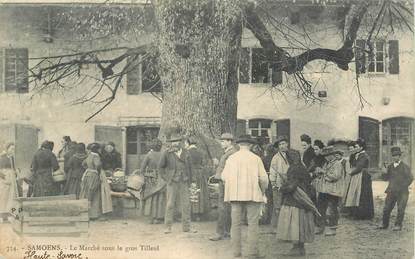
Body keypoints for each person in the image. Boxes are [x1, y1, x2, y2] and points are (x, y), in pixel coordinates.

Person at [220, 134, 268, 258]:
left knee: (235, 224)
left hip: (235, 196)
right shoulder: (256, 158)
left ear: (239, 144)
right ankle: (253, 252)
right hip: (253, 194)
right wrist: (262, 191)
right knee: (253, 224)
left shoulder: (231, 158)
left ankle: (236, 252)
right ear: (250, 145)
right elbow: (263, 179)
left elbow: (223, 177)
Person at [276, 150, 315, 257]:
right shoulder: (302, 167)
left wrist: (281, 188)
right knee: (301, 223)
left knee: (295, 223)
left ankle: (296, 247)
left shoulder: (293, 168)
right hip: (304, 200)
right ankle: (301, 247)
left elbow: (292, 186)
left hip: (294, 200)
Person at [158, 133, 196, 234]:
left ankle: (187, 227)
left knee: (186, 205)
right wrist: (166, 178)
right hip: (172, 181)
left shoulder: (186, 153)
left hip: (184, 181)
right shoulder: (167, 153)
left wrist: (193, 181)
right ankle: (168, 227)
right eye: (173, 142)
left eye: (177, 141)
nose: (175, 144)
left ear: (181, 142)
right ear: (171, 143)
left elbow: (191, 168)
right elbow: (160, 167)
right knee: (170, 204)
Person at [209, 133, 237, 241]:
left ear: (229, 142)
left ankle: (219, 232)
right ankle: (227, 231)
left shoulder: (231, 153)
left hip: (226, 183)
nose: (221, 143)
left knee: (222, 207)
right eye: (221, 141)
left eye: (223, 141)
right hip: (225, 182)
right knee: (226, 207)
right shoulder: (228, 152)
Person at [377, 147, 413, 231]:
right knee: (386, 208)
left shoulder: (405, 167)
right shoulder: (389, 167)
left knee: (400, 209)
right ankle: (384, 224)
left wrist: (402, 186)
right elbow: (385, 179)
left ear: (400, 156)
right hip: (391, 191)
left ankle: (398, 225)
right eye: (393, 155)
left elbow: (410, 178)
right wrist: (384, 172)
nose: (395, 157)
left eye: (396, 155)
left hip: (402, 192)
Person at [269, 135, 300, 232]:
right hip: (279, 184)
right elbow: (273, 170)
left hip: (289, 184)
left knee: (288, 204)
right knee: (277, 205)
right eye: (280, 145)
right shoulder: (276, 157)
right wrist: (273, 183)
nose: (282, 146)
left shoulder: (291, 155)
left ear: (287, 144)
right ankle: (275, 227)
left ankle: (287, 226)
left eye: (283, 144)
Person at [313, 146, 345, 236]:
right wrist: (318, 173)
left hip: (333, 191)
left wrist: (323, 172)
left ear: (332, 155)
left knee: (332, 209)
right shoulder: (327, 163)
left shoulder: (337, 164)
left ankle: (332, 228)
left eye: (327, 155)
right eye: (325, 156)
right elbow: (324, 174)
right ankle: (320, 226)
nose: (325, 157)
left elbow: (335, 176)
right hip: (324, 189)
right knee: (320, 207)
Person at [80, 143, 112, 220]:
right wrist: (98, 170)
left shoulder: (89, 155)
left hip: (88, 175)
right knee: (96, 194)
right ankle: (94, 214)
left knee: (87, 193)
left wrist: (89, 169)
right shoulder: (96, 156)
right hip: (94, 175)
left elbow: (83, 164)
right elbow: (97, 165)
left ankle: (87, 213)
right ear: (97, 149)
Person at [343, 138, 374, 220]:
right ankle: (355, 213)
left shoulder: (364, 155)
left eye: (357, 146)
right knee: (356, 194)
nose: (355, 148)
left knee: (362, 195)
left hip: (363, 177)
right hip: (358, 176)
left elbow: (359, 167)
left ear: (361, 147)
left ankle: (363, 215)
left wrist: (350, 172)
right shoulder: (358, 155)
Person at [140, 139, 166, 224]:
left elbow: (142, 169)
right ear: (160, 146)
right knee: (160, 197)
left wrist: (144, 175)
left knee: (150, 197)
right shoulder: (164, 154)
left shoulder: (149, 155)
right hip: (162, 178)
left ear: (152, 146)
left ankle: (151, 217)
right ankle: (159, 217)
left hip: (151, 178)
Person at [184, 136, 210, 221]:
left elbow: (185, 165)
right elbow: (204, 163)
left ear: (188, 143)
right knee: (200, 192)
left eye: (185, 143)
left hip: (191, 173)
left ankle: (193, 214)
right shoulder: (201, 152)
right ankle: (200, 213)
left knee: (192, 191)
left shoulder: (186, 153)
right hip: (200, 174)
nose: (185, 145)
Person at [0, 143, 18, 222]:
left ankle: (11, 214)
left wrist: (16, 172)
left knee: (11, 197)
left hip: (12, 179)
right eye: (11, 149)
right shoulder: (1, 157)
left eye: (13, 149)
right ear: (7, 149)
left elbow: (13, 168)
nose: (12, 151)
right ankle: (3, 216)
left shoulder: (12, 158)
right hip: (4, 179)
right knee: (4, 197)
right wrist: (4, 177)